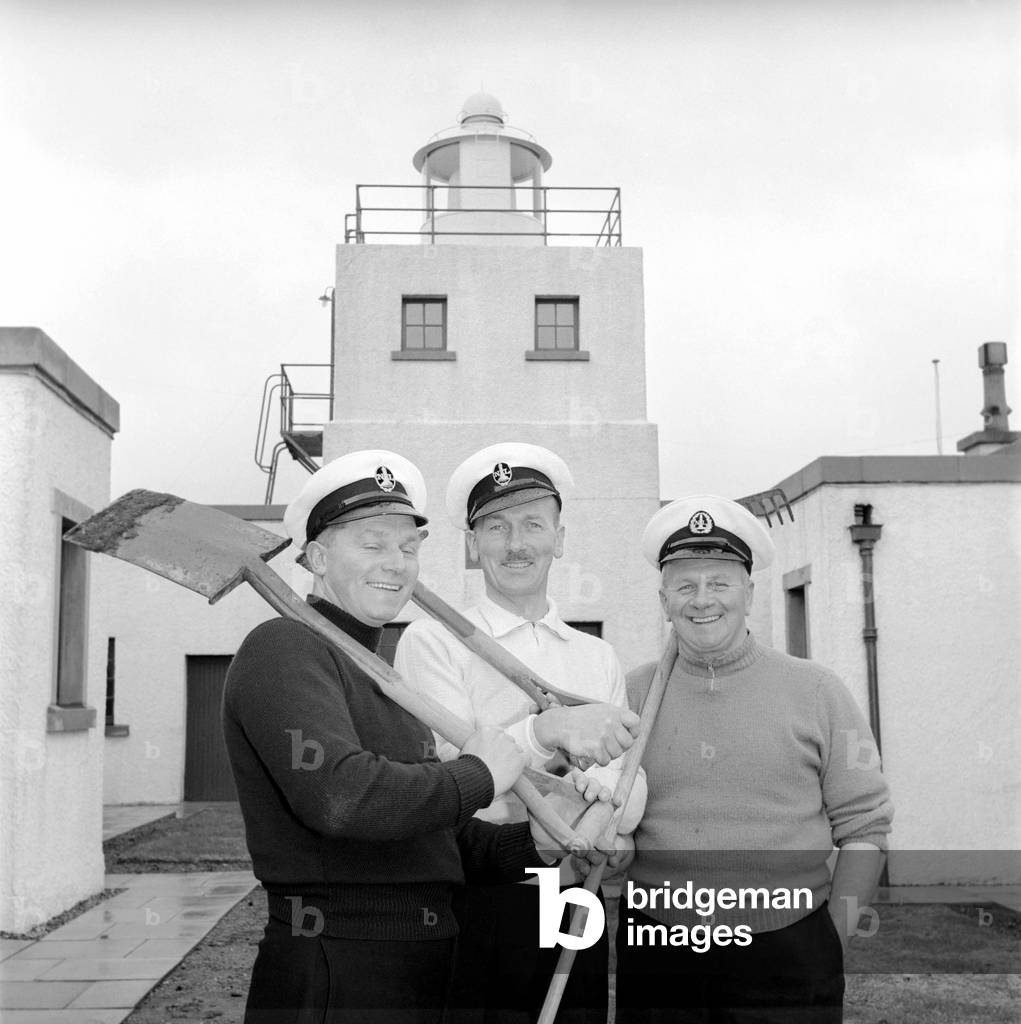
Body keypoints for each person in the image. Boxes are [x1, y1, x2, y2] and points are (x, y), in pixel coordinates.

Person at [221, 450, 599, 1024]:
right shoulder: (284, 647)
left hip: (422, 969)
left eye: (408, 548)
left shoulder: (381, 678)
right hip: (337, 968)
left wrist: (537, 843)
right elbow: (344, 798)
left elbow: (436, 837)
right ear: (318, 558)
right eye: (373, 545)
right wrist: (482, 772)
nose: (396, 564)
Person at [614, 494, 894, 1024]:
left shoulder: (816, 691)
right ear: (662, 598)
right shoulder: (630, 695)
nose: (702, 600)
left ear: (748, 590)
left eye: (719, 583)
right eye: (685, 585)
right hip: (659, 954)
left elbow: (865, 829)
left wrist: (830, 941)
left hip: (790, 951)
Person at [395, 442, 645, 1024]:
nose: (516, 543)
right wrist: (546, 730)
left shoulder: (596, 655)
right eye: (496, 526)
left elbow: (620, 779)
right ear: (471, 544)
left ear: (560, 538)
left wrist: (602, 832)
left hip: (575, 897)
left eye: (534, 524)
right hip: (480, 895)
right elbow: (456, 782)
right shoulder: (432, 643)